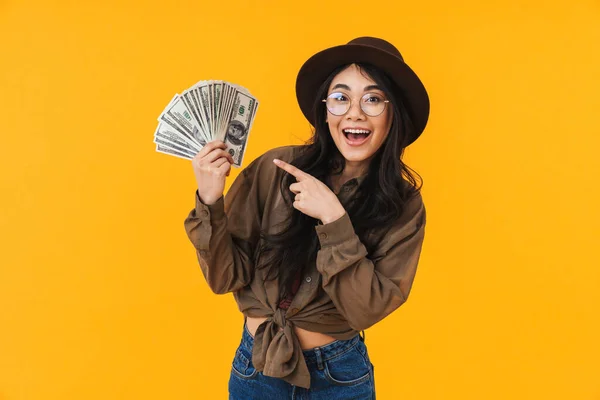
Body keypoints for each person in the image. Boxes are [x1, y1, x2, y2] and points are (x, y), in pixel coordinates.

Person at [184, 36, 430, 399]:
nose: (355, 113)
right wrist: (210, 199)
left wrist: (334, 220)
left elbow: (367, 309)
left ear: (394, 114)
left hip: (339, 376)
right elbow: (224, 278)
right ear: (325, 108)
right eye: (341, 97)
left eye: (373, 99)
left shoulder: (404, 204)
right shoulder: (275, 168)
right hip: (256, 368)